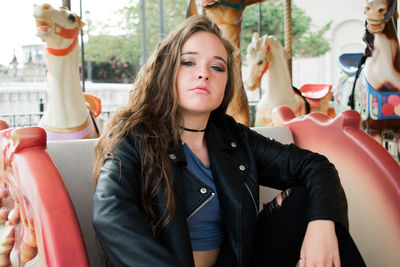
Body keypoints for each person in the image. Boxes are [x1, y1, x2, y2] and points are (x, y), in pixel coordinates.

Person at [92, 15, 365, 267]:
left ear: (226, 84)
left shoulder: (233, 137)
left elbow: (316, 166)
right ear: (166, 71)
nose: (204, 73)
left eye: (217, 67)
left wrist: (322, 223)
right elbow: (111, 217)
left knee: (310, 202)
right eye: (189, 62)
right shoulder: (135, 138)